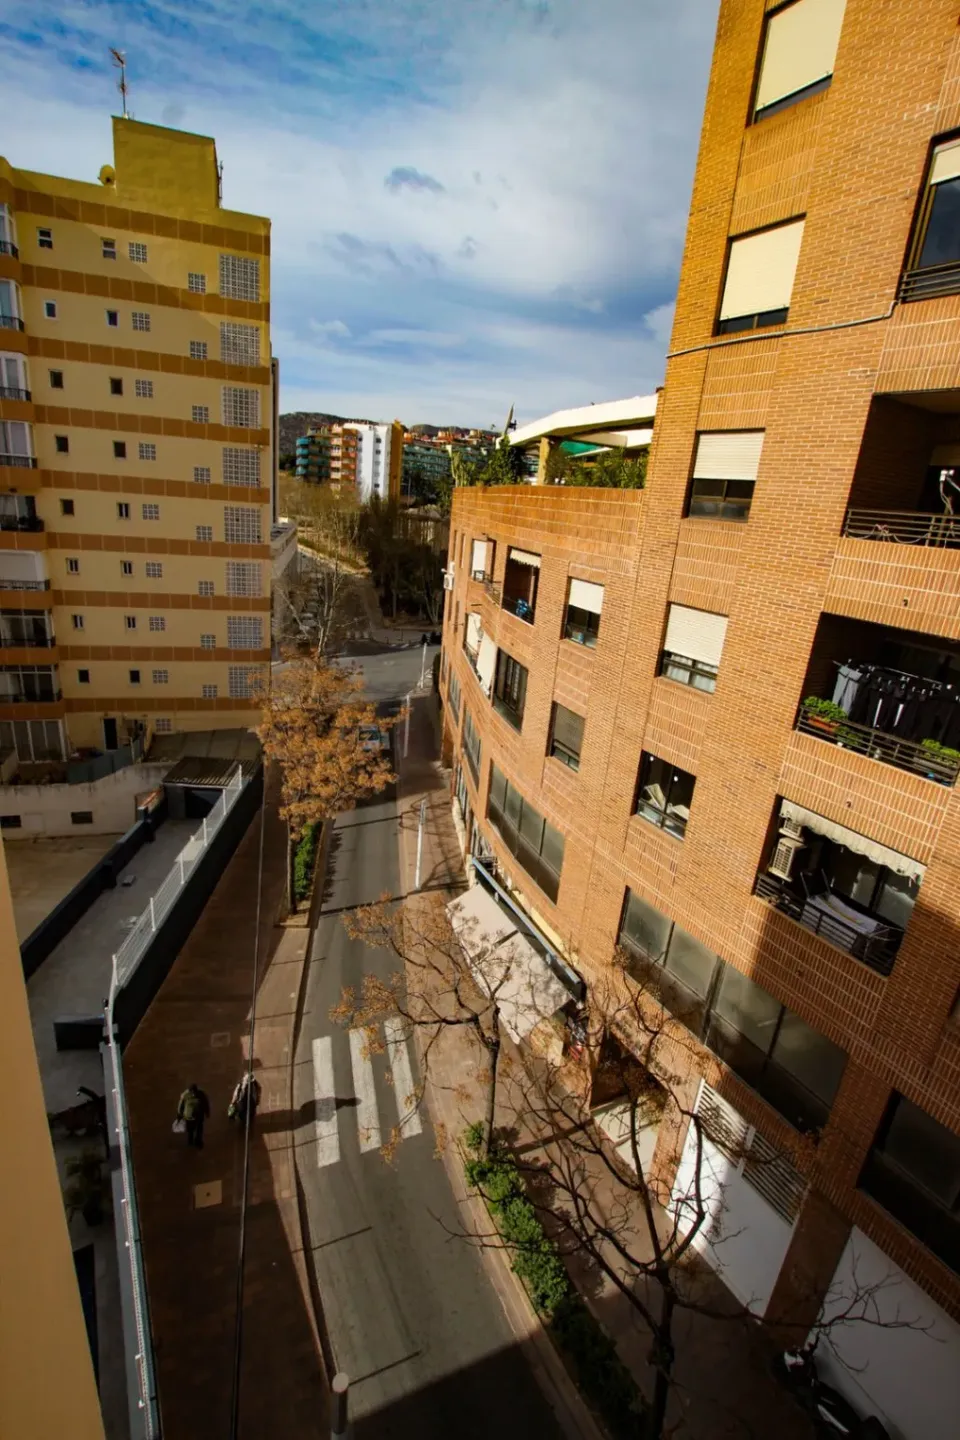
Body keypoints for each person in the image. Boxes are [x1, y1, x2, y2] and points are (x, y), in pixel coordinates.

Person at [177, 1083, 210, 1149]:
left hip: (199, 1116)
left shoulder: (201, 1094)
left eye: (194, 1092)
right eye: (192, 1092)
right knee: (190, 1131)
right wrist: (179, 1115)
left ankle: (198, 1141)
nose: (193, 1094)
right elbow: (181, 1105)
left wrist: (207, 1112)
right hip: (189, 1117)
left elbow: (206, 1103)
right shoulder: (185, 1095)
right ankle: (190, 1142)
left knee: (199, 1130)